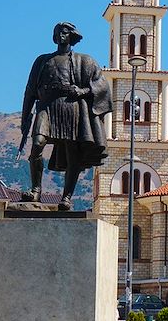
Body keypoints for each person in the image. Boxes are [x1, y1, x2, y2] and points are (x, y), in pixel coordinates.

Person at [21, 22, 112, 209]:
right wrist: (24, 119)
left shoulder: (84, 61)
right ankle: (36, 190)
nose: (60, 36)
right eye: (57, 33)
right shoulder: (42, 61)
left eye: (64, 33)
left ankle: (66, 197)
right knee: (37, 144)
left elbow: (101, 86)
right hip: (47, 107)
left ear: (71, 36)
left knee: (73, 154)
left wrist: (82, 91)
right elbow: (30, 91)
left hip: (71, 108)